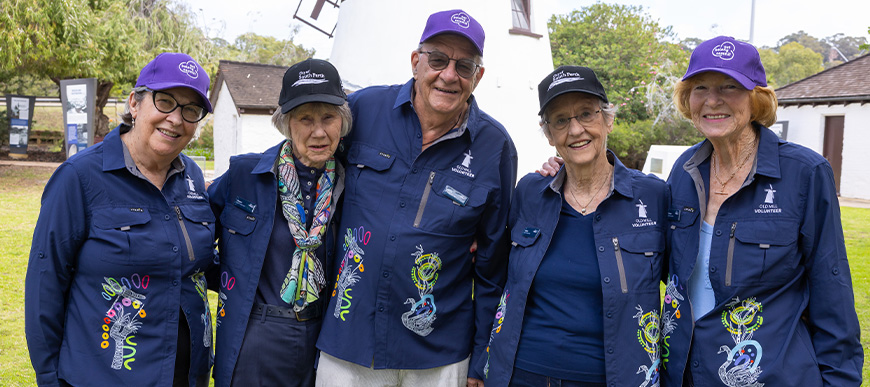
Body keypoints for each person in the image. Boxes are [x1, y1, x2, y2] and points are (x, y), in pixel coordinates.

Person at [314, 9, 517, 387]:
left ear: (479, 77)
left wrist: (481, 362)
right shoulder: (363, 110)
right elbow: (308, 161)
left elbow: (493, 265)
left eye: (465, 66)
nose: (449, 75)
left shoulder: (496, 147)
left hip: (439, 354)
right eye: (438, 59)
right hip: (350, 337)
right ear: (415, 61)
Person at [660, 36, 863, 386]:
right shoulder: (684, 169)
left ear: (756, 99)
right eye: (700, 87)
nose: (712, 100)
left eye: (730, 86)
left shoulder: (804, 173)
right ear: (687, 99)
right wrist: (567, 173)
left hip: (771, 375)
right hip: (684, 375)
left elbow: (833, 294)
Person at [25, 52, 216, 386]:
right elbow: (45, 285)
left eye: (190, 110)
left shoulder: (193, 178)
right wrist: (48, 378)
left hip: (186, 375)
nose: (175, 118)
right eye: (165, 101)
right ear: (135, 103)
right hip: (103, 377)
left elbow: (197, 265)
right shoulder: (79, 177)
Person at [480, 66, 668, 387]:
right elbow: (492, 275)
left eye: (586, 113)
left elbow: (684, 288)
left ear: (608, 119)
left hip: (614, 377)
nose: (576, 130)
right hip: (521, 373)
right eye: (561, 120)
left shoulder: (653, 196)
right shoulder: (529, 192)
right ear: (549, 135)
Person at [208, 59, 351, 387]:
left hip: (324, 340)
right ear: (286, 123)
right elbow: (194, 238)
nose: (318, 131)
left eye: (328, 117)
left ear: (342, 122)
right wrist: (236, 281)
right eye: (305, 119)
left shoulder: (350, 184)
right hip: (258, 336)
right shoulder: (245, 176)